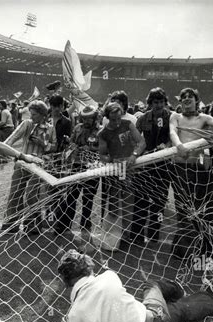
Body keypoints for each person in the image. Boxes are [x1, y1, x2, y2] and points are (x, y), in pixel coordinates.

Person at [57, 249, 213, 322]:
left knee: (173, 310)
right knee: (153, 287)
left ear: (65, 282)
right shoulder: (108, 277)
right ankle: (193, 294)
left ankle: (174, 296)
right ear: (88, 267)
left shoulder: (74, 318)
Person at [169, 87, 213, 257]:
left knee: (197, 208)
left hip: (197, 169)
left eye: (190, 97)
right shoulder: (175, 116)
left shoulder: (204, 118)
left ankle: (196, 246)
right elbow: (173, 132)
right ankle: (182, 249)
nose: (186, 99)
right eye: (183, 97)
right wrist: (179, 146)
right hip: (179, 168)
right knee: (182, 208)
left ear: (196, 100)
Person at [2, 100, 56, 235]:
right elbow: (12, 138)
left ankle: (33, 225)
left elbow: (54, 147)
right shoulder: (27, 124)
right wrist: (5, 150)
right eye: (31, 114)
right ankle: (11, 224)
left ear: (43, 115)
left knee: (32, 194)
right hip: (22, 162)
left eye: (35, 115)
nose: (31, 117)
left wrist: (43, 145)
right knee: (15, 192)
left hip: (39, 165)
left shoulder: (50, 128)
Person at [98, 102, 146, 249]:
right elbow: (102, 155)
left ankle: (126, 235)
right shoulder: (103, 134)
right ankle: (113, 236)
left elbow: (142, 142)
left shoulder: (128, 124)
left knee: (129, 202)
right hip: (114, 172)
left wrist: (134, 156)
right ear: (107, 118)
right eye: (113, 119)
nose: (117, 122)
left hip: (131, 169)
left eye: (119, 118)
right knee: (113, 203)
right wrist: (113, 160)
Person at [130, 87, 172, 247]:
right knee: (140, 200)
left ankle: (154, 235)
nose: (159, 105)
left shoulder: (171, 117)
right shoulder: (142, 118)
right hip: (144, 164)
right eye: (156, 102)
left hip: (163, 165)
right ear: (150, 103)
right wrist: (139, 150)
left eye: (161, 102)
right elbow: (134, 137)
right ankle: (137, 235)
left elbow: (173, 137)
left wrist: (166, 146)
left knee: (159, 201)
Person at [52, 105, 102, 238]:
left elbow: (104, 149)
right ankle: (64, 224)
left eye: (89, 118)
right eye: (84, 118)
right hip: (76, 166)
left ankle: (85, 225)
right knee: (71, 196)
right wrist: (73, 146)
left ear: (95, 118)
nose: (86, 121)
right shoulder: (77, 128)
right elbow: (71, 144)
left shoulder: (100, 131)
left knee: (88, 198)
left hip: (93, 168)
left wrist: (91, 149)